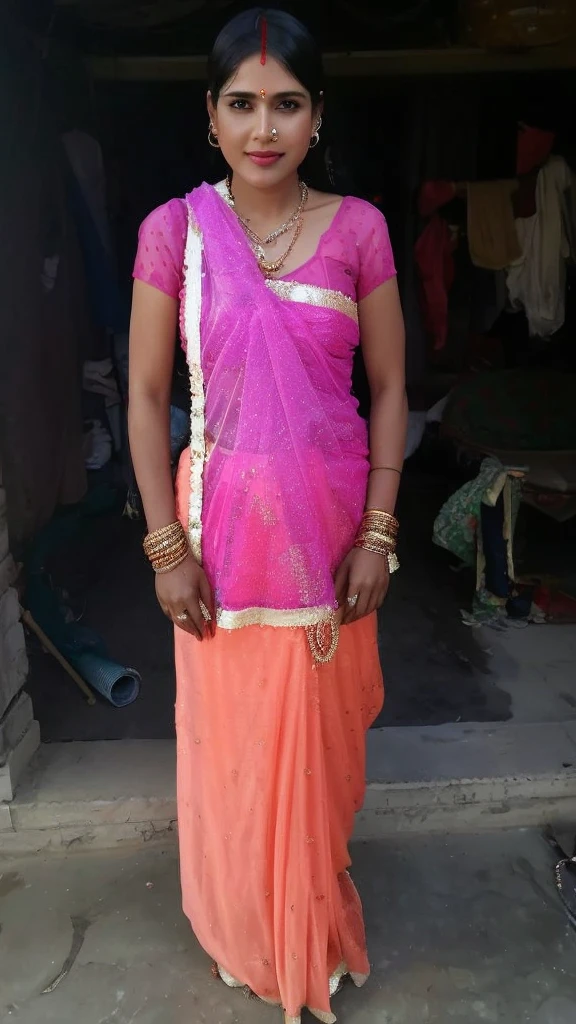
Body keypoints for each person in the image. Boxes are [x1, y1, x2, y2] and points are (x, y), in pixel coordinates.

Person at [129, 9, 407, 1022]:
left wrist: (379, 529)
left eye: (285, 102)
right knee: (236, 753)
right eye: (241, 103)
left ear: (317, 114)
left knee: (318, 765)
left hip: (332, 547)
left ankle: (310, 924)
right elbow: (146, 393)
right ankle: (249, 931)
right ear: (210, 117)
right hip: (223, 542)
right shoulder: (176, 233)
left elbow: (386, 389)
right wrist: (166, 547)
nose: (263, 126)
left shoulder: (363, 230)